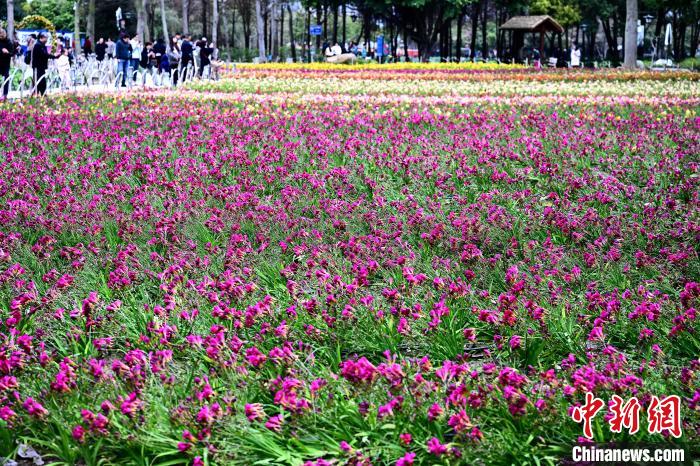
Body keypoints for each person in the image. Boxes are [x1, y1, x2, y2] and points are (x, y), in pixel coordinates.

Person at [0, 28, 18, 100]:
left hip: (5, 63)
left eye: (2, 35)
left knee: (6, 77)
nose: (1, 36)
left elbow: (12, 53)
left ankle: (5, 94)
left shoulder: (8, 42)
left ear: (5, 34)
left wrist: (7, 52)